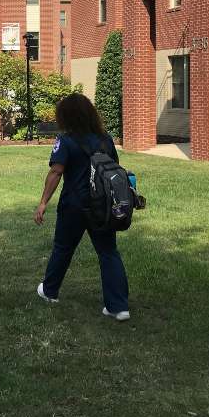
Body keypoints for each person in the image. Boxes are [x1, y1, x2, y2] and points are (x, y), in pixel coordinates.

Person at [33, 93, 131, 322]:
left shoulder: (65, 141)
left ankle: (49, 291)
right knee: (108, 253)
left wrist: (43, 202)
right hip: (102, 206)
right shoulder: (105, 139)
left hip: (74, 206)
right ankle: (118, 307)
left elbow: (56, 172)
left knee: (63, 248)